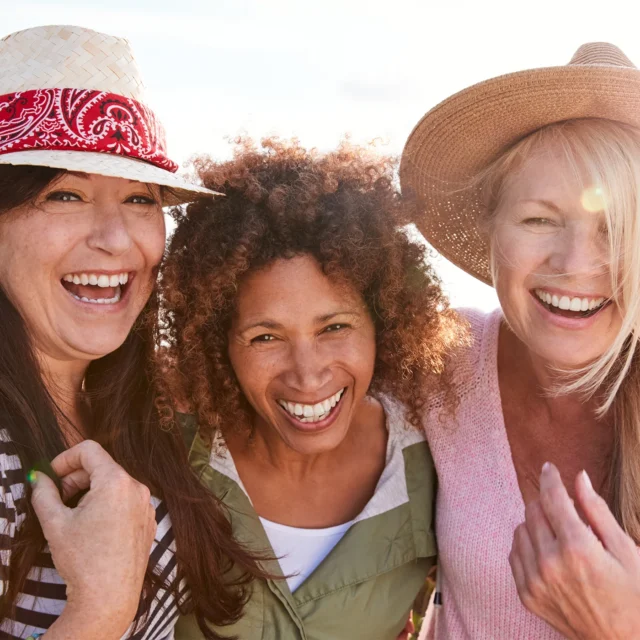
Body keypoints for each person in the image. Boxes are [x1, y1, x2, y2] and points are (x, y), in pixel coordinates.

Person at [0, 25, 265, 639]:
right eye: (65, 195)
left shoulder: (129, 411)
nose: (116, 240)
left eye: (141, 201)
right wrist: (101, 605)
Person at [154, 138, 464, 639]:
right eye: (266, 337)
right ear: (216, 342)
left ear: (382, 322)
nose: (308, 374)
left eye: (334, 328)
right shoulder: (164, 454)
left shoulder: (431, 465)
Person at [401, 42, 640, 639]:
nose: (576, 264)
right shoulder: (437, 360)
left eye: (618, 229)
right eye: (539, 219)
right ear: (490, 226)